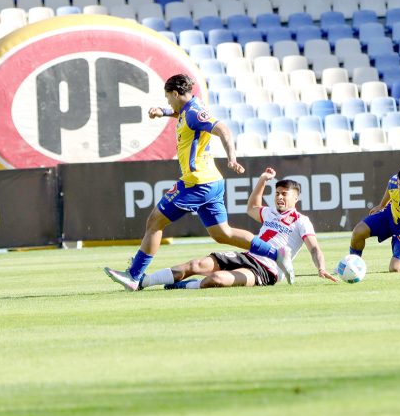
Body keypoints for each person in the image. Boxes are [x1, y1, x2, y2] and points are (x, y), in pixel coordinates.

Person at [104, 74, 294, 286]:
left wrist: (231, 157)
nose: (168, 102)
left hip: (197, 183)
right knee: (223, 233)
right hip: (210, 181)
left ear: (176, 93)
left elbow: (223, 129)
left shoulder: (194, 112)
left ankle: (134, 275)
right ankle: (276, 254)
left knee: (155, 221)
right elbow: (180, 113)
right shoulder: (188, 109)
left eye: (168, 98)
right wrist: (163, 112)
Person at [105, 167, 337, 290]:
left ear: (296, 197)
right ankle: (141, 282)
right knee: (196, 265)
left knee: (215, 279)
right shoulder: (270, 213)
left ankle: (182, 287)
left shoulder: (301, 220)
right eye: (277, 193)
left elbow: (314, 247)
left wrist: (321, 268)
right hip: (246, 256)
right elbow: (252, 207)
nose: (279, 198)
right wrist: (263, 181)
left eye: (284, 194)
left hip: (267, 271)